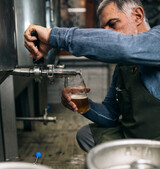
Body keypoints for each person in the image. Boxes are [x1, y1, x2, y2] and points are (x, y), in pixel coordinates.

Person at [24, 0, 160, 152]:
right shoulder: (123, 65)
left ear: (138, 16)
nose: (108, 33)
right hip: (133, 139)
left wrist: (53, 36)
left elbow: (125, 47)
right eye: (103, 29)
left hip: (155, 145)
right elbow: (110, 115)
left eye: (113, 24)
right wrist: (82, 104)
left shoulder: (157, 40)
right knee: (86, 135)